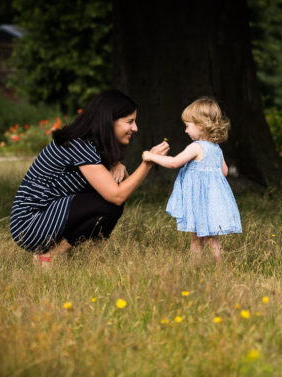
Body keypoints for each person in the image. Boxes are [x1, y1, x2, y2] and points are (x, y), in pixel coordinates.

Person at [10, 89, 169, 265]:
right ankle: (49, 256)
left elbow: (125, 186)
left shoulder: (90, 143)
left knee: (110, 203)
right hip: (29, 223)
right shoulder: (79, 145)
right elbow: (117, 195)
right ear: (109, 121)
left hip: (46, 214)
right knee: (109, 203)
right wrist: (148, 162)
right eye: (129, 122)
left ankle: (94, 261)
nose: (135, 128)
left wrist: (119, 165)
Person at [143, 97, 241, 260]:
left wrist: (152, 157)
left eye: (188, 126)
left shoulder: (196, 147)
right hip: (209, 201)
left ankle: (220, 269)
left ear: (201, 126)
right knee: (199, 237)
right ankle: (195, 268)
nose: (186, 131)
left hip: (198, 201)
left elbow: (174, 162)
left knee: (207, 237)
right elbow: (223, 172)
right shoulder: (216, 149)